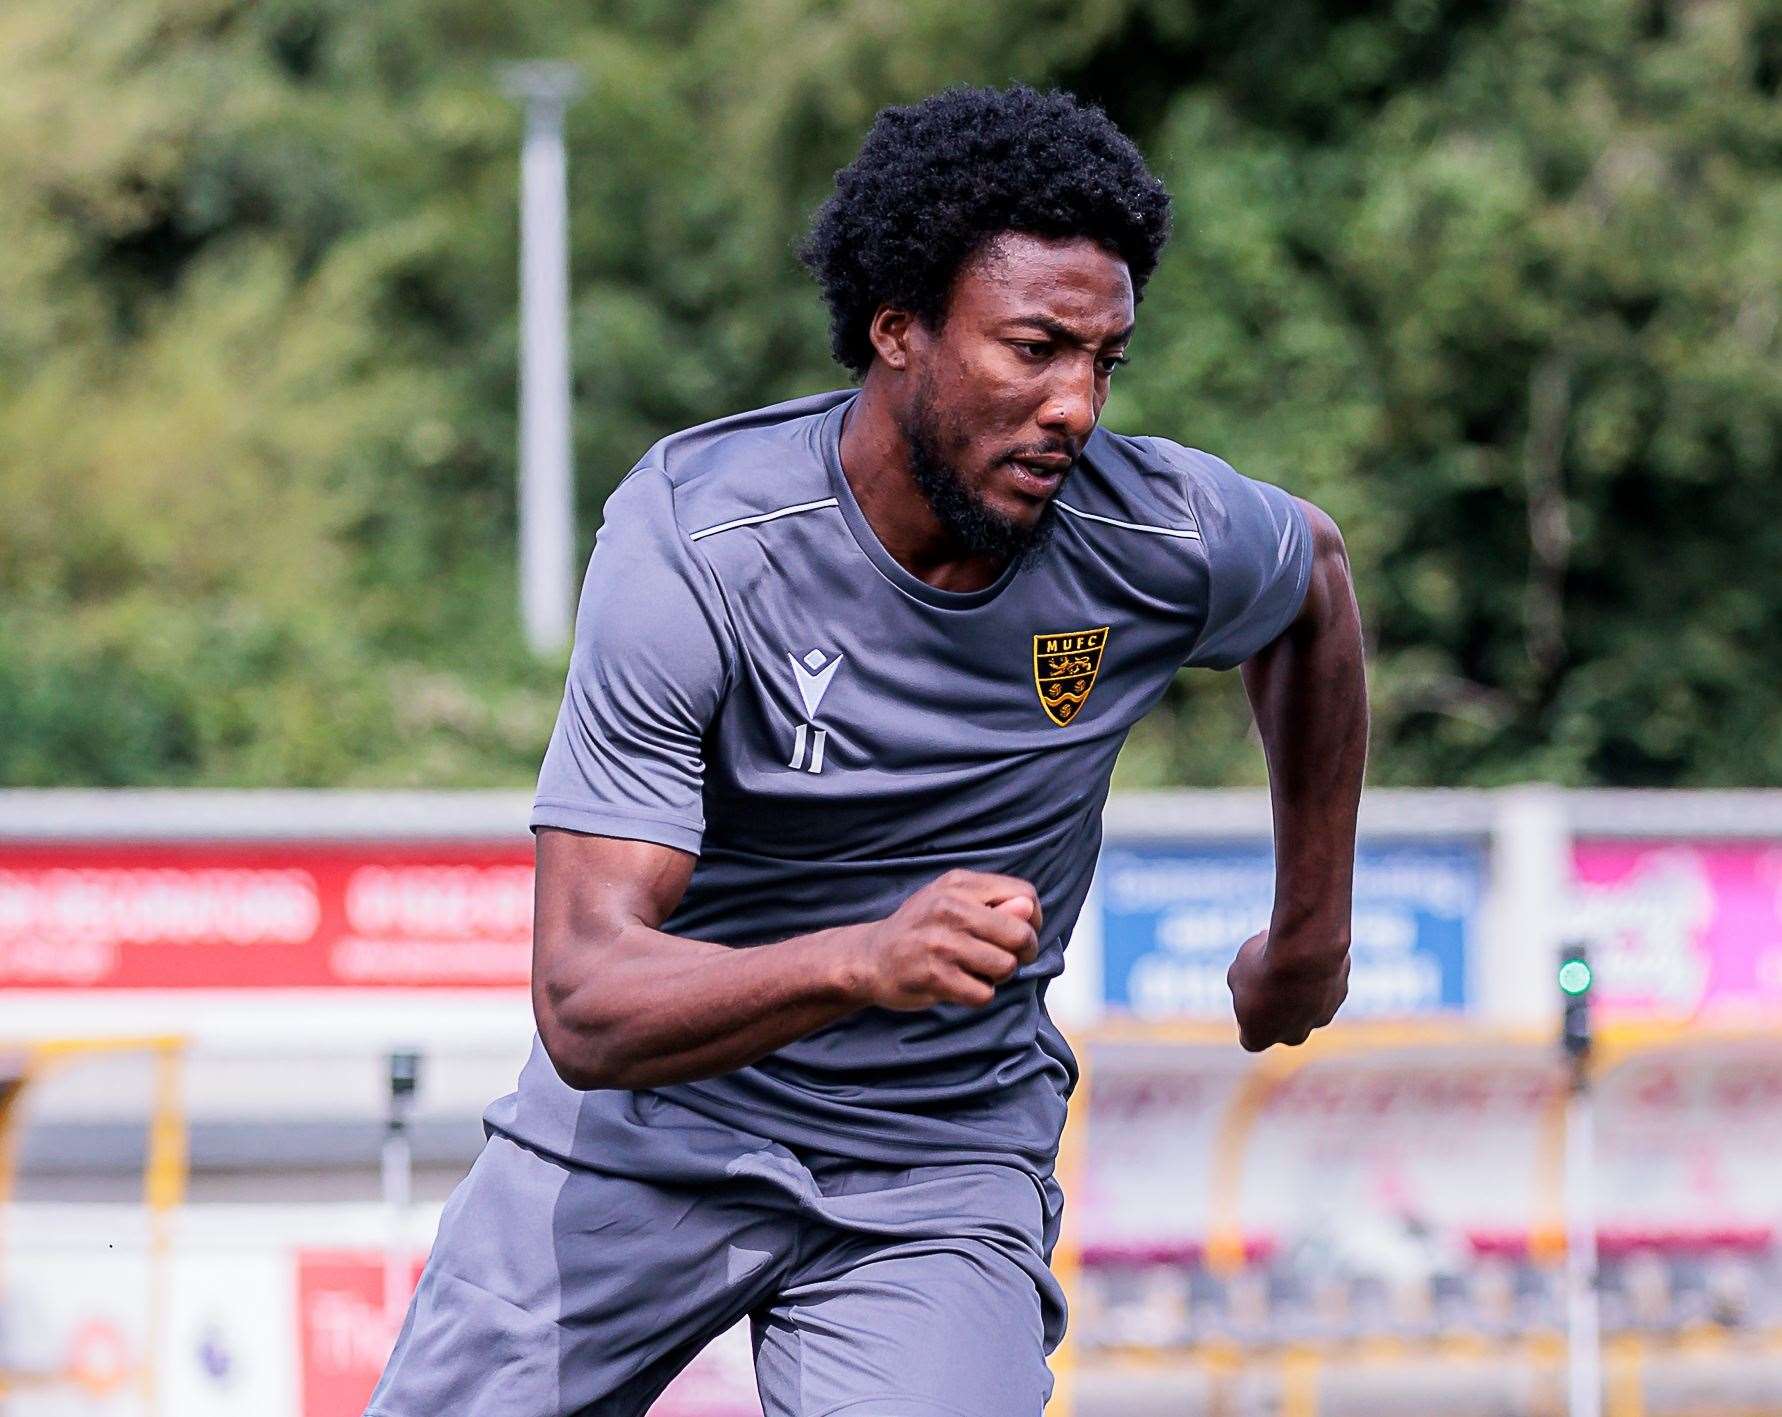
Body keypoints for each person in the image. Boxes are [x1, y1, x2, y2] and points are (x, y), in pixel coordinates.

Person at [369, 83, 1365, 1417]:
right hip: (643, 1131)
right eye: (1031, 348)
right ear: (897, 327)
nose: (1074, 403)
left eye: (1103, 359)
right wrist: (868, 957)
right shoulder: (699, 541)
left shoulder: (1151, 532)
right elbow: (587, 995)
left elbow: (1312, 585)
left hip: (935, 1161)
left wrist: (1308, 933)